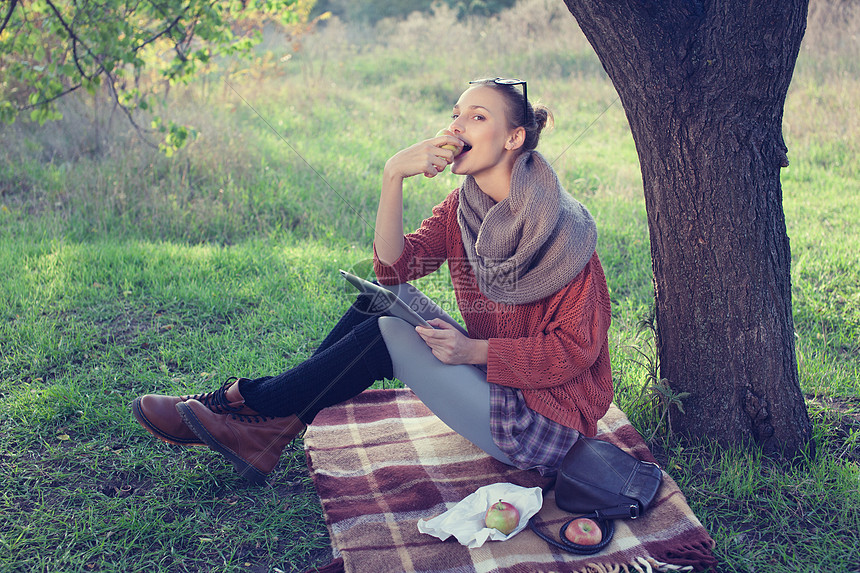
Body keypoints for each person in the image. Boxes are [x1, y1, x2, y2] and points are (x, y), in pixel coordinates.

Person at [131, 78, 613, 485]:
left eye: (478, 117)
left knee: (389, 335)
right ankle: (263, 428)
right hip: (499, 381)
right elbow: (395, 272)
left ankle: (253, 410)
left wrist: (473, 352)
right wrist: (393, 176)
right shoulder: (463, 208)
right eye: (456, 114)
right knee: (381, 301)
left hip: (546, 424)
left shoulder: (563, 231)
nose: (456, 126)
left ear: (514, 139)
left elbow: (576, 351)